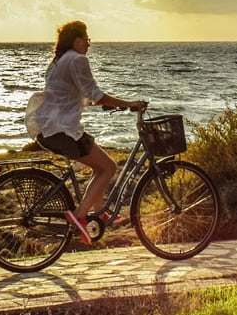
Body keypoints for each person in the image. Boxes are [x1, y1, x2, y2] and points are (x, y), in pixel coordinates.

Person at [23, 20, 146, 242]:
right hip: (63, 129)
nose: (88, 45)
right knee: (108, 167)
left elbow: (72, 93)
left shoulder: (58, 61)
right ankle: (80, 217)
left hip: (49, 126)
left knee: (100, 166)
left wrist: (105, 103)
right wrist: (131, 103)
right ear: (77, 40)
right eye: (86, 40)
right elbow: (96, 94)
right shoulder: (78, 59)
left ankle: (98, 212)